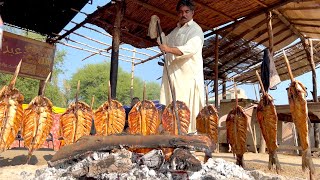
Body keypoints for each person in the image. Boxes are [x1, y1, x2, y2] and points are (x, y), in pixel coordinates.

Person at [158, 0, 205, 133]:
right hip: (174, 77)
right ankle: (173, 136)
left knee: (187, 108)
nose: (183, 14)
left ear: (192, 13)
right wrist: (159, 32)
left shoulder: (196, 30)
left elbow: (190, 49)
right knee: (171, 108)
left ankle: (189, 139)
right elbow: (164, 42)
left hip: (188, 79)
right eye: (181, 12)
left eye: (186, 12)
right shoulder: (175, 31)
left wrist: (168, 48)